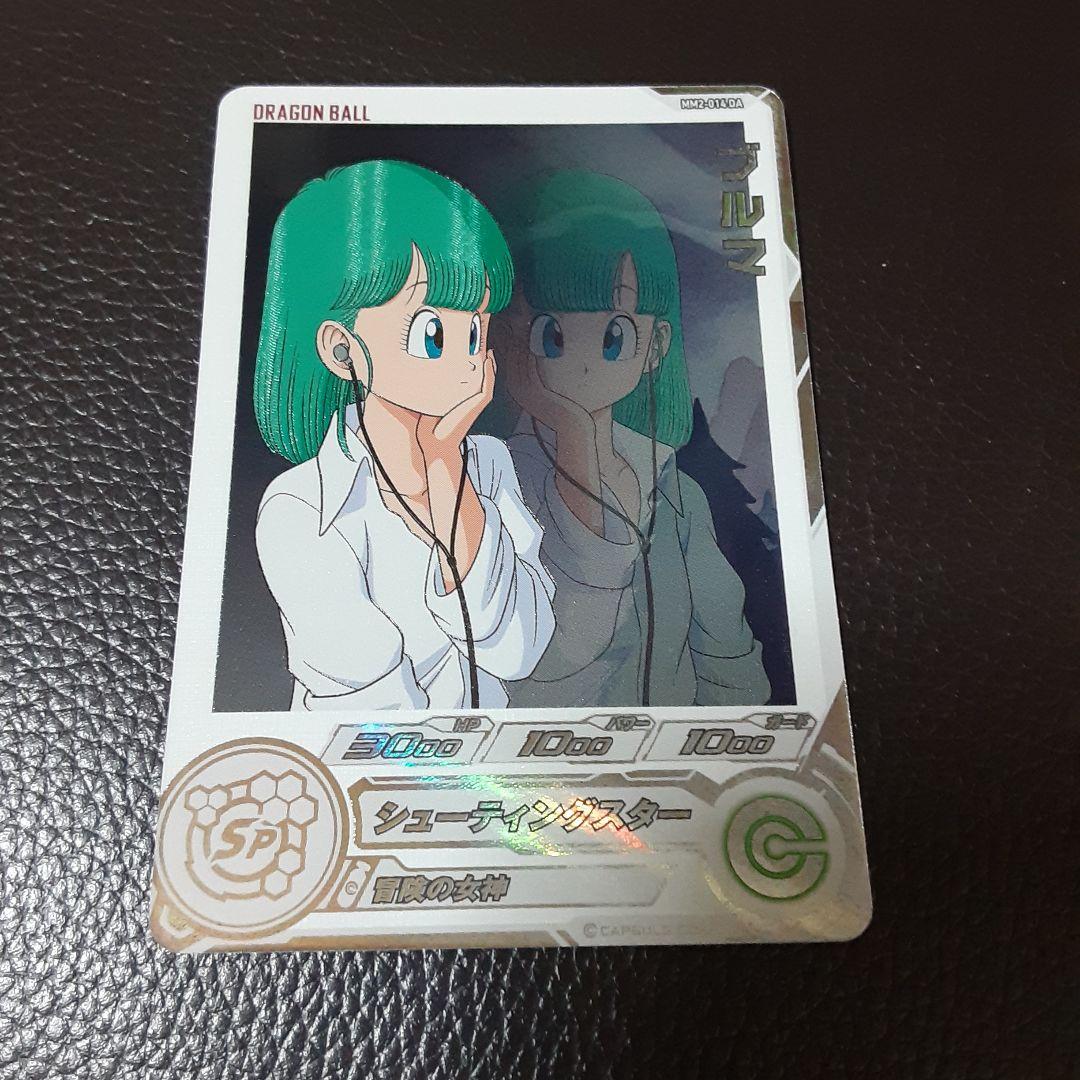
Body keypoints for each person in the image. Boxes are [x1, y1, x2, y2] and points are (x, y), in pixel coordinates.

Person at [253, 160, 555, 711]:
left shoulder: (487, 464)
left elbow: (519, 650)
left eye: (476, 330)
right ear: (342, 350)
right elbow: (374, 710)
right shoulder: (300, 509)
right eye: (432, 334)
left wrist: (445, 469)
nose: (468, 360)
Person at [494, 170, 769, 708]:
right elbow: (550, 660)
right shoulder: (498, 485)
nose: (581, 363)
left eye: (612, 336)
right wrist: (573, 431)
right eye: (552, 334)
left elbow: (727, 655)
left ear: (655, 345)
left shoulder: (677, 494)